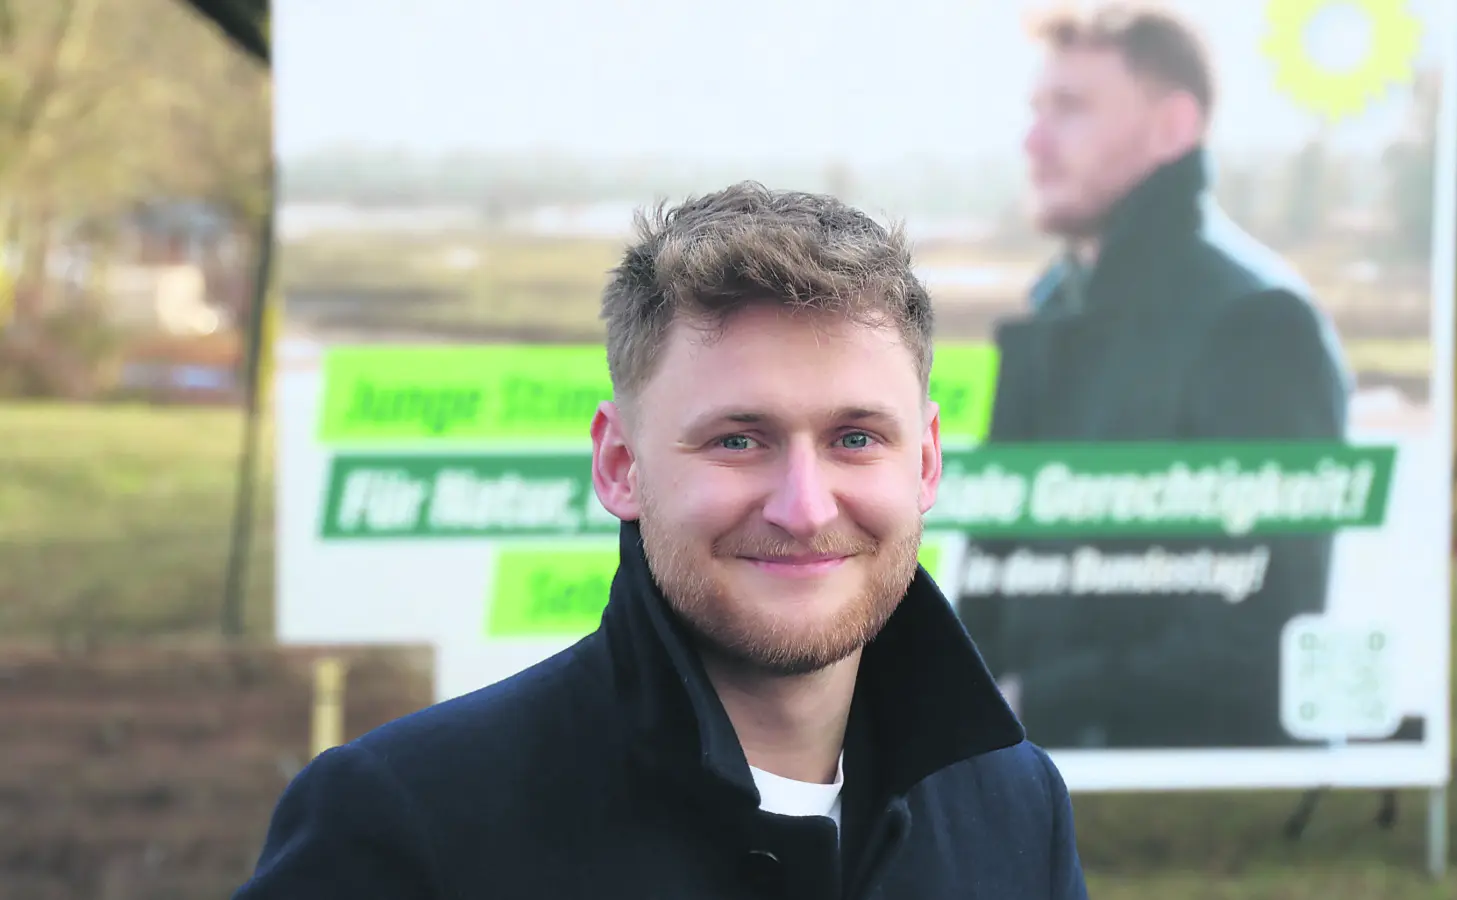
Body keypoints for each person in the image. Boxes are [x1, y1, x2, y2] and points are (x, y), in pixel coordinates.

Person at [233, 183, 1091, 899]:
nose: (803, 506)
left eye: (856, 438)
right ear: (620, 465)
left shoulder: (1014, 810)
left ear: (927, 462)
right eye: (737, 440)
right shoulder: (408, 821)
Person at [958, 4, 1355, 750]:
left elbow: (1258, 630)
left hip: (1201, 790)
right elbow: (997, 562)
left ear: (1173, 127)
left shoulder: (1259, 323)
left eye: (1070, 110)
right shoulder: (1052, 306)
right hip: (1033, 772)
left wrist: (1036, 701)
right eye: (1036, 110)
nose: (1034, 142)